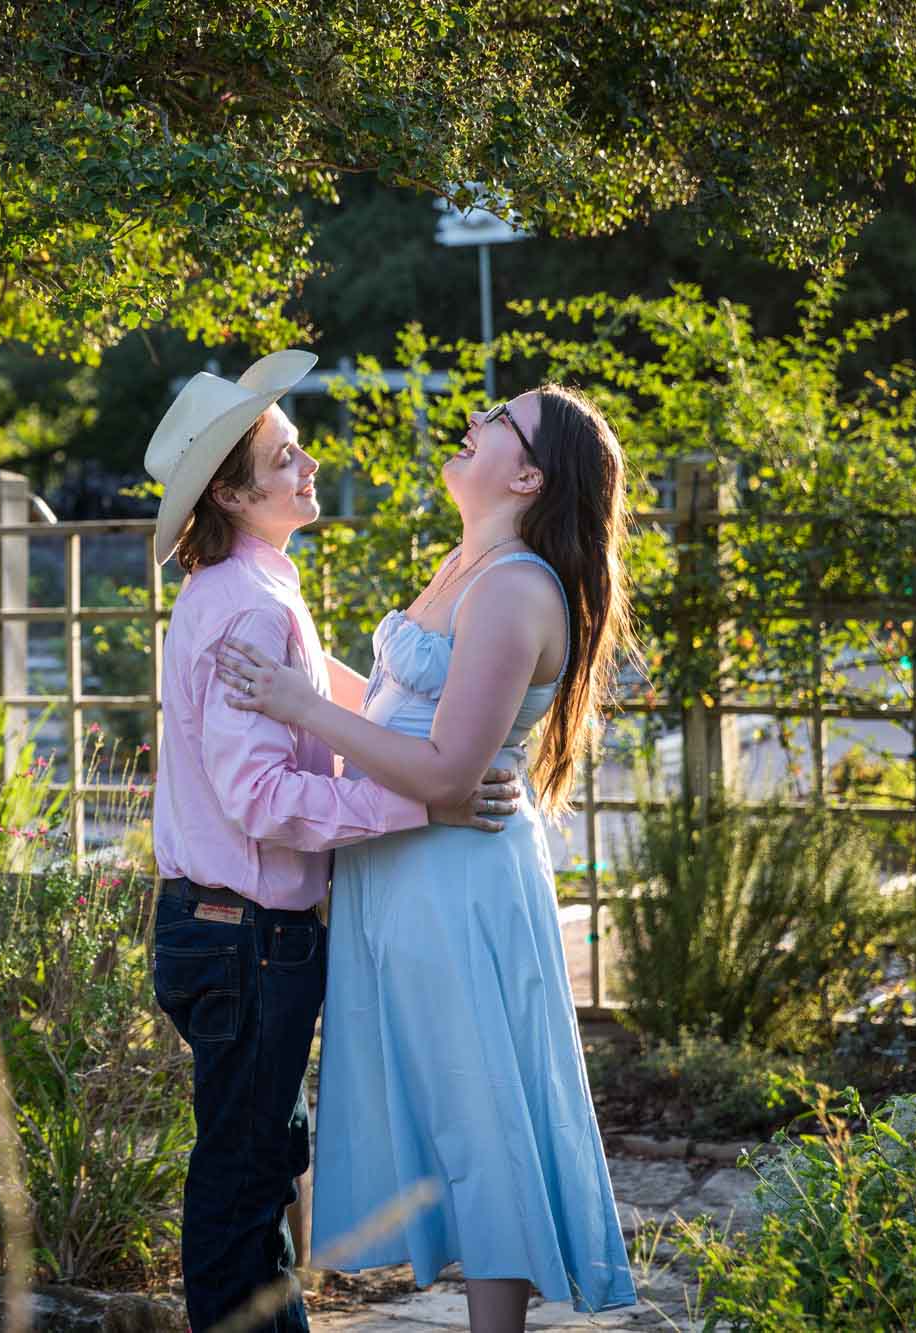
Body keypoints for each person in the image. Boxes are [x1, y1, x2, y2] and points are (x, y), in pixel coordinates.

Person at [215, 386, 641, 1331]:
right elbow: (404, 710)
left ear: (527, 473)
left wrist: (298, 705)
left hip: (458, 878)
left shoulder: (518, 587)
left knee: (480, 1107)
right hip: (403, 870)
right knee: (449, 1099)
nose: (476, 421)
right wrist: (298, 664)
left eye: (499, 418)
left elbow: (451, 770)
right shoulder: (466, 563)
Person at [143, 350, 522, 1333]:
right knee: (242, 1175)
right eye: (284, 459)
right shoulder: (245, 606)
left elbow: (330, 702)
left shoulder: (259, 589)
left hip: (233, 932)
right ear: (230, 492)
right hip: (242, 933)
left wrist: (431, 747)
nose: (307, 466)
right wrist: (421, 802)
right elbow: (263, 798)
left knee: (259, 1161)